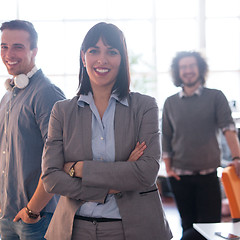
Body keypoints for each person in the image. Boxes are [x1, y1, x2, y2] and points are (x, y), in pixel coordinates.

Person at [41, 22, 172, 240]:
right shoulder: (62, 111)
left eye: (112, 52)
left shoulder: (145, 107)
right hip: (74, 230)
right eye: (94, 51)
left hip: (135, 229)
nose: (102, 59)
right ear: (84, 57)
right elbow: (51, 178)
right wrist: (113, 183)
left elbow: (147, 173)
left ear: (122, 59)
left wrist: (79, 169)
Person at [0, 20, 65, 240]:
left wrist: (32, 210)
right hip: (7, 214)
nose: (8, 53)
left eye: (18, 47)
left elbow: (58, 159)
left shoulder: (47, 93)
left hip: (37, 217)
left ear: (34, 51)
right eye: (4, 46)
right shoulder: (7, 97)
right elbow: (3, 150)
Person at [161, 51, 240, 240]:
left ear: (200, 69)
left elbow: (228, 129)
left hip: (208, 176)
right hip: (180, 177)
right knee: (187, 227)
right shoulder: (170, 102)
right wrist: (169, 168)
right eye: (183, 67)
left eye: (191, 66)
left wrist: (237, 157)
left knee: (210, 229)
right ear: (178, 72)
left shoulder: (216, 97)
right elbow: (166, 137)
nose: (188, 70)